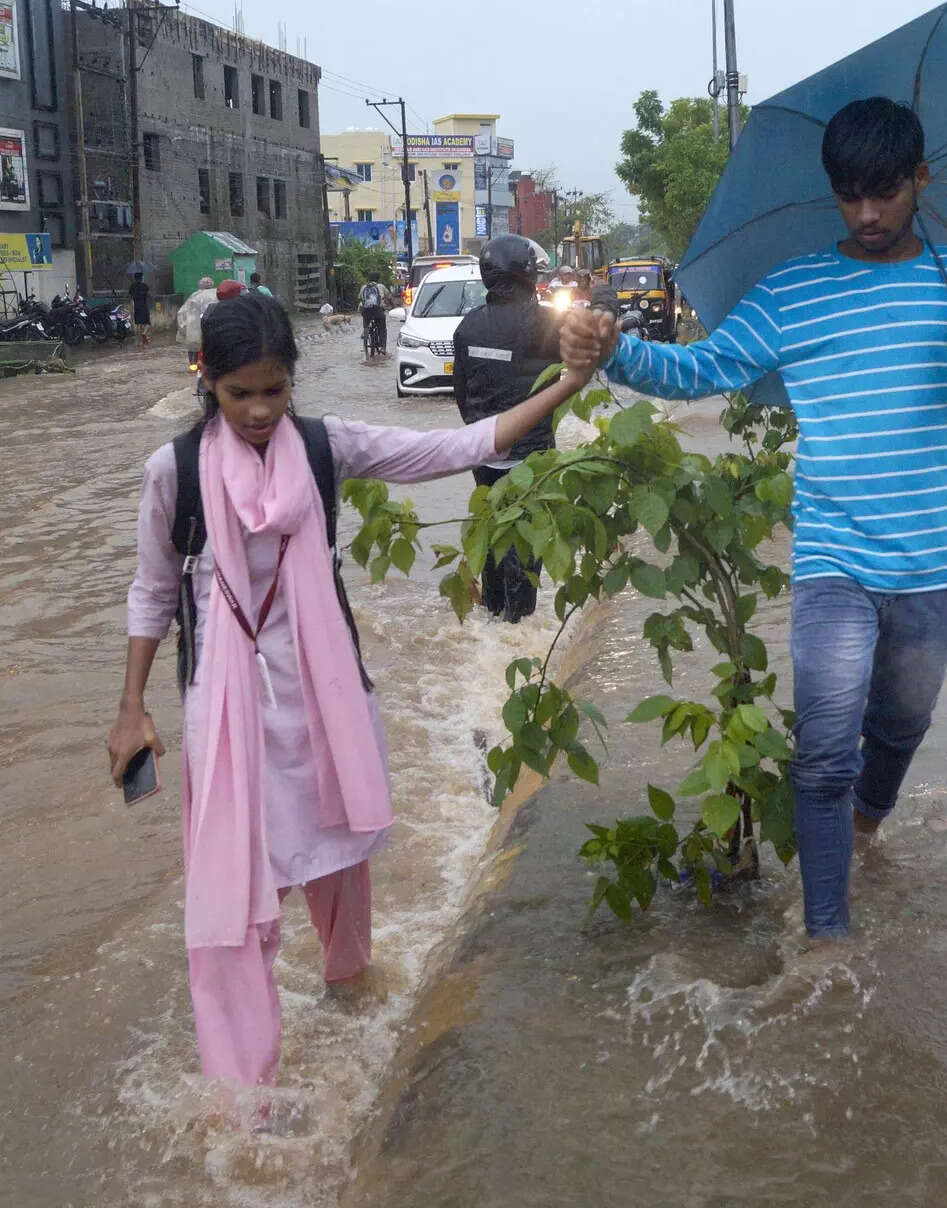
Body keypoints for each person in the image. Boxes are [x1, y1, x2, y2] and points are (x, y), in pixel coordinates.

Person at [107, 292, 600, 1089]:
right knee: (234, 889)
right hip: (227, 712)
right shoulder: (175, 472)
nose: (260, 410)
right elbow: (152, 592)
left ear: (293, 382)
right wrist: (130, 708)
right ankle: (242, 1089)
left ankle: (350, 991)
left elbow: (457, 448)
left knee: (339, 857)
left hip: (322, 694)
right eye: (241, 394)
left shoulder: (325, 447)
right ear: (208, 382)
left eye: (275, 390)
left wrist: (568, 384)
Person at [560, 97, 947, 940]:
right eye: (849, 196)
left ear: (919, 179)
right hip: (833, 556)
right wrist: (615, 348)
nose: (868, 214)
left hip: (935, 558)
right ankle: (826, 934)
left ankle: (866, 830)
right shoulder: (794, 291)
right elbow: (701, 369)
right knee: (822, 749)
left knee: (902, 725)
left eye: (884, 192)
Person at [452, 234, 559, 622]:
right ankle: (521, 632)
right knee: (526, 548)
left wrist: (485, 436)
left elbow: (461, 396)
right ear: (526, 272)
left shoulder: (467, 328)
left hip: (484, 454)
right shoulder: (546, 324)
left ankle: (493, 620)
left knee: (492, 535)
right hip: (532, 459)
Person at [358, 278, 387, 358]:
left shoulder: (363, 287)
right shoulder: (381, 286)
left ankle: (365, 331)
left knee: (365, 319)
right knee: (382, 328)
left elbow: (360, 298)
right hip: (377, 311)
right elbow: (389, 297)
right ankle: (383, 347)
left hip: (366, 312)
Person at [130, 270, 152, 348]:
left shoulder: (132, 286)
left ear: (135, 278)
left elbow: (130, 296)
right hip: (144, 306)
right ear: (141, 278)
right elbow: (149, 295)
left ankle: (139, 342)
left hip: (136, 307)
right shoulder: (145, 286)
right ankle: (145, 333)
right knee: (147, 323)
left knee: (138, 324)